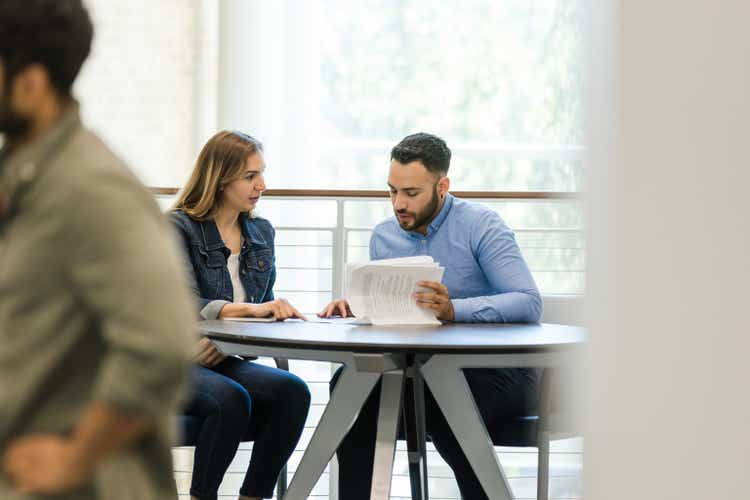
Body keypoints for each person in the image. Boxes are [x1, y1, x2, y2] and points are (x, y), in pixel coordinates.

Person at [0, 1, 196, 499]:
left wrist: (75, 458)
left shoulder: (90, 187)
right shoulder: (25, 177)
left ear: (30, 83)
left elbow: (161, 345)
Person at [319, 132, 543, 500]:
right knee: (349, 384)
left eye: (411, 193)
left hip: (498, 373)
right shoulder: (385, 237)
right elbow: (393, 313)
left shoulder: (481, 226)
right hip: (418, 371)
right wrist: (359, 306)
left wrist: (456, 310)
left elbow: (529, 301)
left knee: (443, 397)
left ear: (442, 186)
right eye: (392, 191)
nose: (398, 204)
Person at [170, 130, 311, 500]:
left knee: (293, 392)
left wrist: (235, 338)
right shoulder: (178, 228)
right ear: (219, 179)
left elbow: (260, 310)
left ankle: (252, 497)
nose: (261, 185)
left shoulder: (261, 233)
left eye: (262, 173)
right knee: (231, 399)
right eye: (250, 176)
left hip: (223, 357)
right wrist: (250, 312)